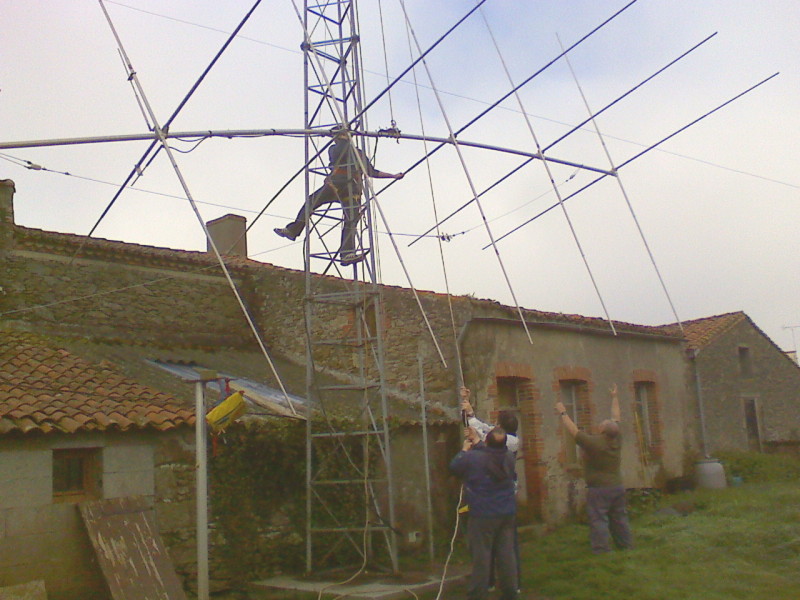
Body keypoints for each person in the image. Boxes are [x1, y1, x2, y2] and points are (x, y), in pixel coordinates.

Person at [274, 127, 404, 265]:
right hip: (337, 185)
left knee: (350, 220)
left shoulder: (356, 152)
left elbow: (371, 171)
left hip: (349, 188)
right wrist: (344, 138)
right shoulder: (336, 149)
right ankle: (293, 230)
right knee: (312, 202)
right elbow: (342, 153)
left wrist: (393, 176)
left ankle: (346, 254)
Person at [554, 384, 633, 553]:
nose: (599, 425)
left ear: (603, 430)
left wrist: (563, 412)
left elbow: (574, 431)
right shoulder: (617, 438)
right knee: (619, 517)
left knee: (598, 519)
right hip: (617, 486)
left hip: (599, 489)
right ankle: (625, 545)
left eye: (601, 424)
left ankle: (602, 549)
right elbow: (616, 417)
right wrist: (614, 397)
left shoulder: (595, 443)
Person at [459, 386, 522, 590]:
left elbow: (485, 436)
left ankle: (512, 584)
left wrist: (475, 435)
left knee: (506, 547)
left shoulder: (511, 442)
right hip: (499, 501)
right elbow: (483, 429)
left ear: (502, 428)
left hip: (502, 501)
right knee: (498, 547)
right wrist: (469, 411)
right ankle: (494, 582)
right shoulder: (501, 438)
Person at [450, 426, 518, 600]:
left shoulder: (473, 458)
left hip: (483, 515)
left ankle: (477, 595)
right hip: (507, 513)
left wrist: (464, 450)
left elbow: (455, 467)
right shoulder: (509, 457)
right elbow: (490, 453)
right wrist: (476, 440)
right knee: (506, 555)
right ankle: (510, 593)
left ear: (487, 442)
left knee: (482, 557)